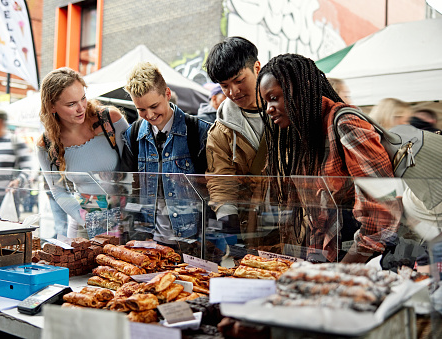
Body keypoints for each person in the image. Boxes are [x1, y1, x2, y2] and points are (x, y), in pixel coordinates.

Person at [256, 53, 402, 264]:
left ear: (301, 88)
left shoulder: (346, 124)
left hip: (364, 262)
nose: (268, 109)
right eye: (265, 101)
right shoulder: (305, 133)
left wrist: (345, 269)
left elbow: (383, 209)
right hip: (331, 256)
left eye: (273, 98)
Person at [120, 62, 211, 247]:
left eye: (154, 106)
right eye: (141, 110)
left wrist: (210, 240)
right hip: (149, 239)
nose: (150, 114)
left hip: (192, 241)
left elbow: (211, 190)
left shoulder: (199, 131)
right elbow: (129, 190)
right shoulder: (133, 134)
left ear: (167, 94)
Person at [37, 67, 128, 239]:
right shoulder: (46, 144)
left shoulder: (110, 120)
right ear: (52, 107)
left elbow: (135, 169)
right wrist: (86, 219)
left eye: (83, 98)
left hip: (124, 220)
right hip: (83, 225)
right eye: (71, 104)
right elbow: (58, 192)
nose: (81, 108)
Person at [203, 36, 265, 235]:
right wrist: (227, 216)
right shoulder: (220, 131)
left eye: (239, 81)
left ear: (257, 67)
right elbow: (221, 178)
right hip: (252, 227)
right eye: (225, 86)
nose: (233, 91)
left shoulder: (290, 112)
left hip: (299, 224)